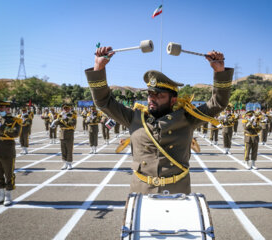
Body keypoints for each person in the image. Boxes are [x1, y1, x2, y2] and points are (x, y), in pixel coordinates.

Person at [85, 44, 233, 194]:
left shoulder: (187, 118)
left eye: (159, 95)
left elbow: (218, 103)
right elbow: (104, 102)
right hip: (141, 190)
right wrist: (99, 68)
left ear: (173, 100)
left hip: (178, 191)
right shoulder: (133, 117)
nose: (152, 99)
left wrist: (220, 72)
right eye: (150, 94)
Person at [51, 103, 77, 170]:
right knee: (63, 149)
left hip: (69, 132)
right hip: (62, 133)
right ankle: (65, 163)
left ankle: (69, 163)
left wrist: (66, 118)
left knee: (69, 148)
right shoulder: (60, 115)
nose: (65, 110)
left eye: (67, 108)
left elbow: (73, 123)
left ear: (69, 108)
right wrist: (55, 122)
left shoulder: (72, 115)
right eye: (64, 108)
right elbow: (58, 123)